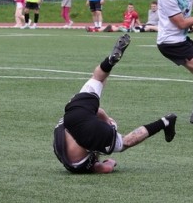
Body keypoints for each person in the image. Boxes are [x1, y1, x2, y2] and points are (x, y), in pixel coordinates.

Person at [53, 33, 177, 174]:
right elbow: (97, 111)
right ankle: (110, 61)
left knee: (125, 142)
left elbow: (105, 168)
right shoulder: (63, 149)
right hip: (73, 114)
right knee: (97, 79)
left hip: (87, 132)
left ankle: (165, 122)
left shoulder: (80, 165)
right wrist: (105, 118)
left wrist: (110, 162)